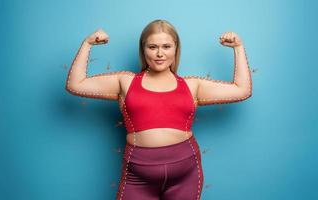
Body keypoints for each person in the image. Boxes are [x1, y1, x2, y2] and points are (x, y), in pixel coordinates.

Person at [65, 19, 252, 200]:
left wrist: (238, 48)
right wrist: (87, 44)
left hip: (186, 175)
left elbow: (241, 90)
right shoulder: (125, 82)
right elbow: (76, 84)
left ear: (176, 50)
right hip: (138, 177)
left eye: (166, 47)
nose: (160, 53)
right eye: (152, 47)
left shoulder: (192, 85)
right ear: (143, 50)